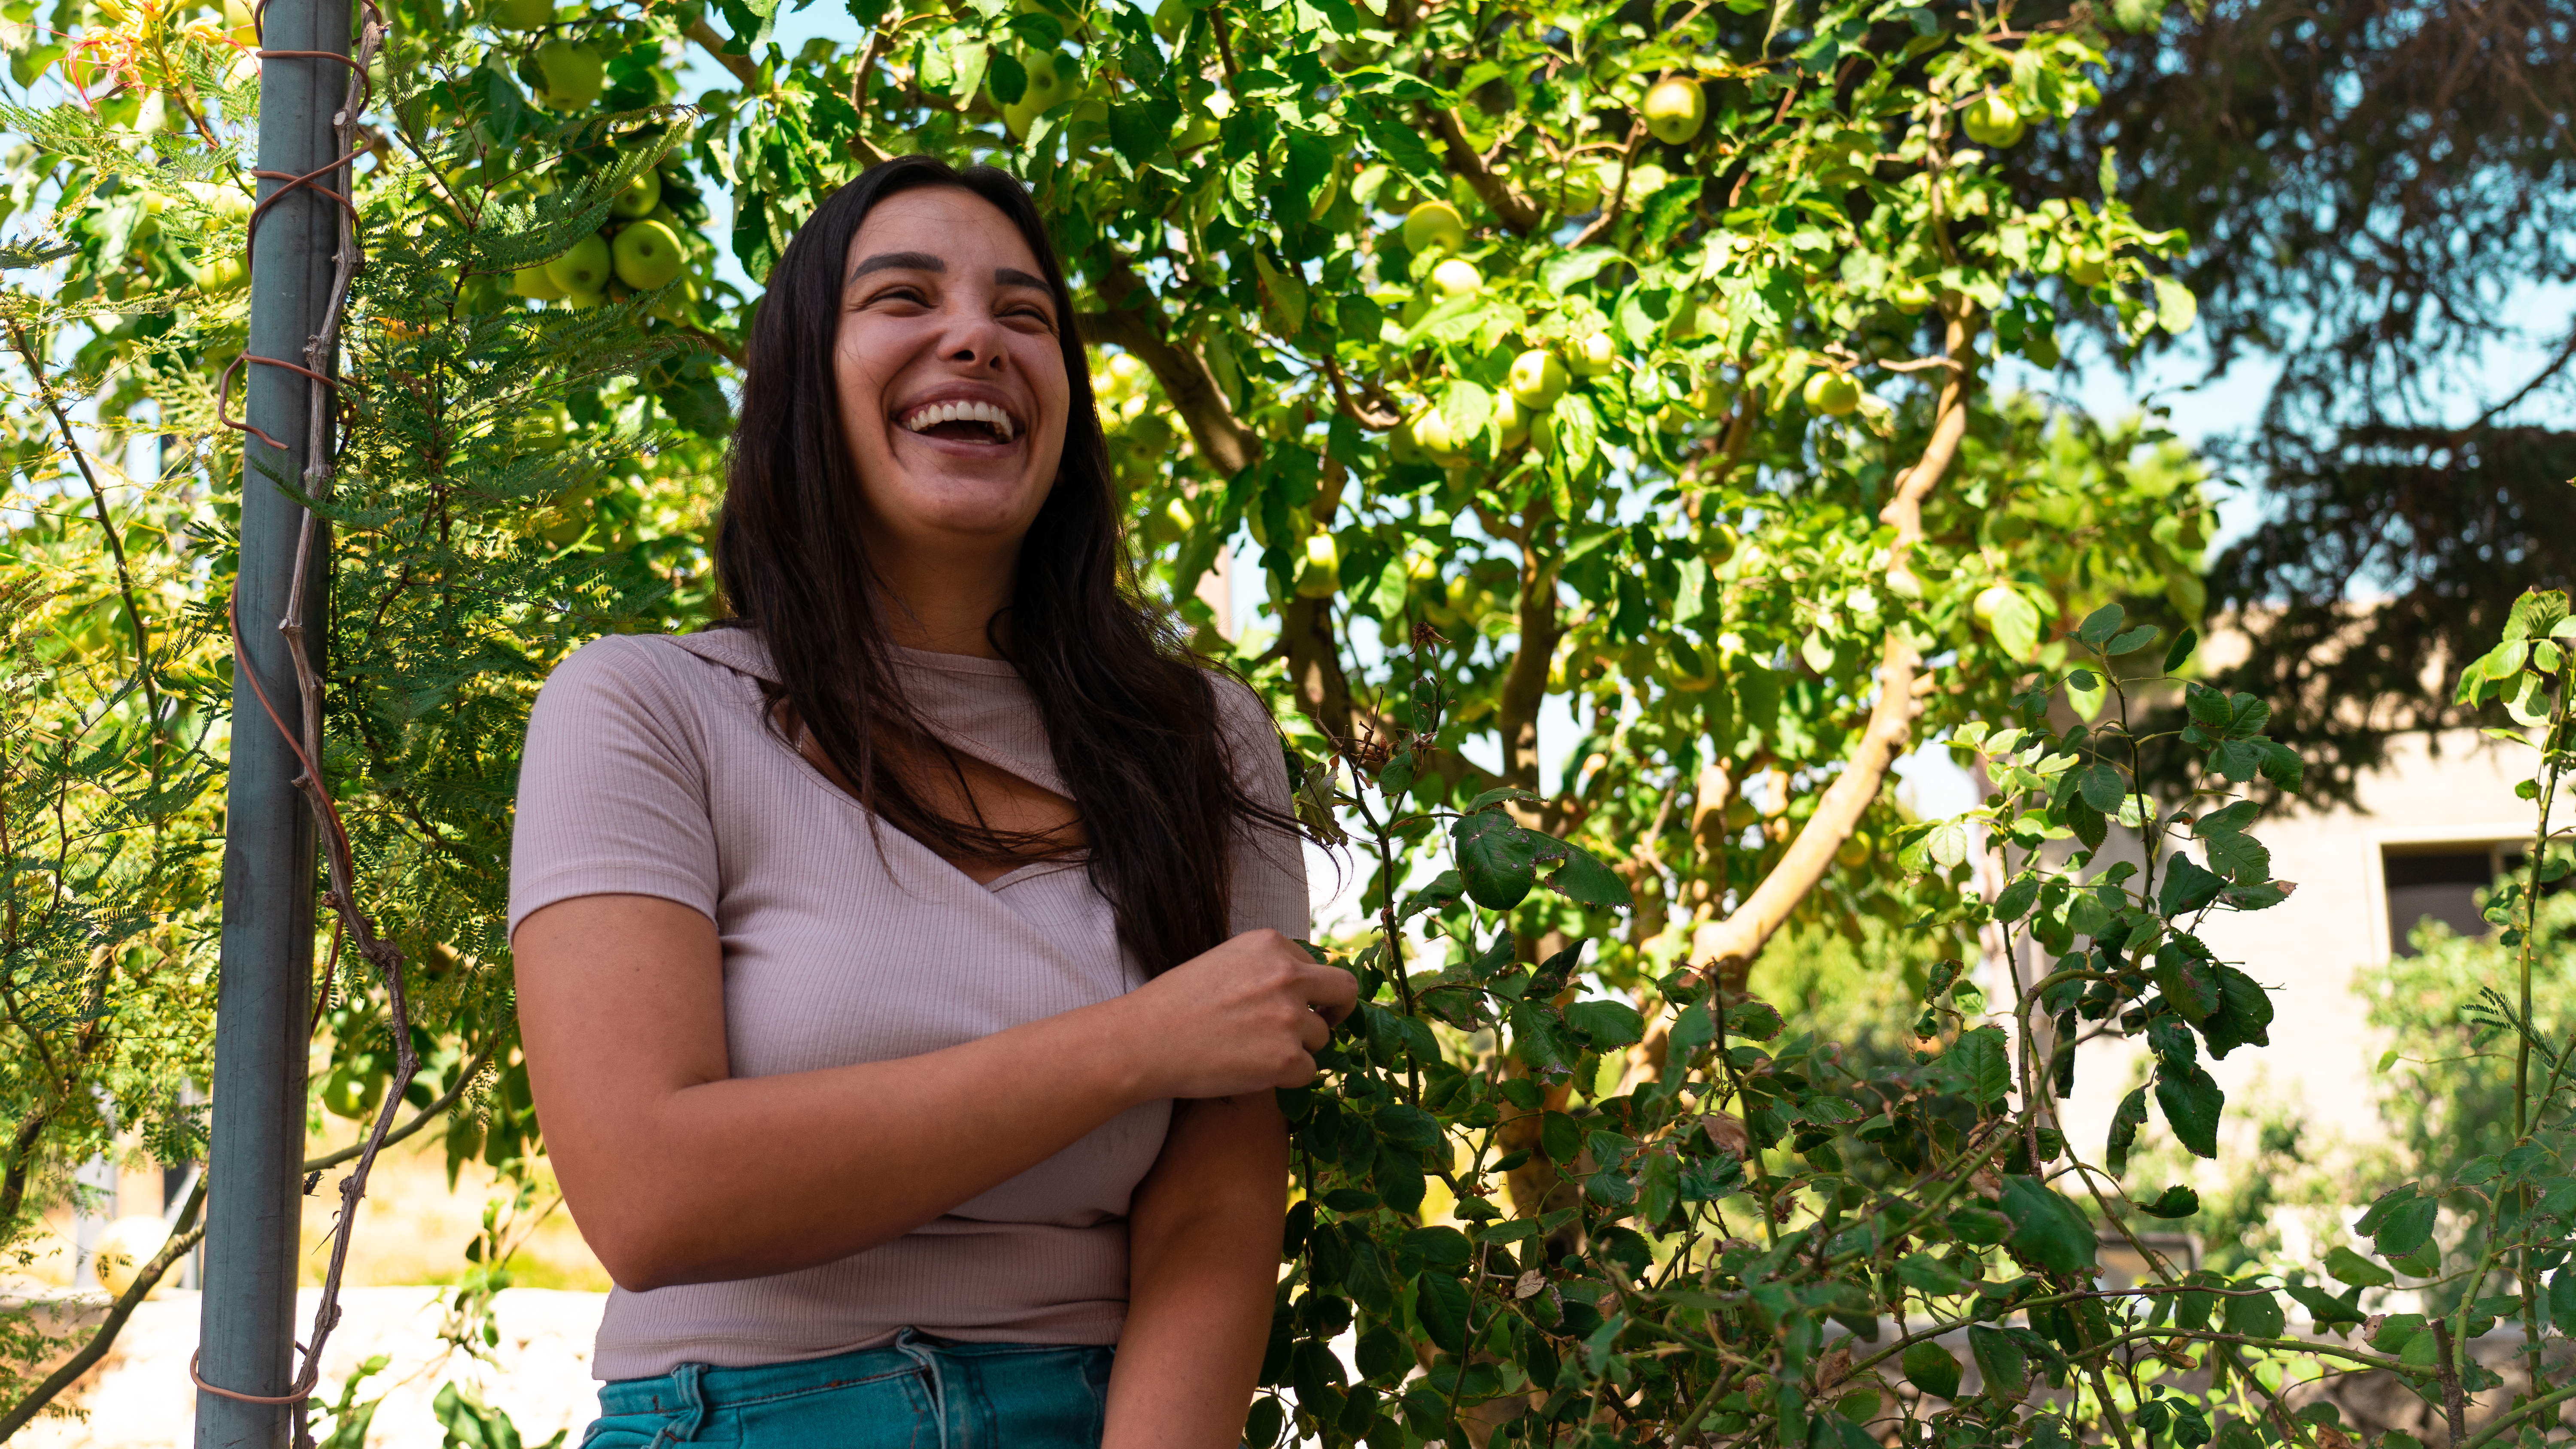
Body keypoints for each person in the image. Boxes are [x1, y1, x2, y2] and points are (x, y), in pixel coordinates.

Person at [510, 155, 1359, 1449]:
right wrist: (1142, 1040)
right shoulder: (641, 709)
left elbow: (1213, 1205)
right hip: (741, 1418)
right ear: (807, 375)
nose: (977, 335)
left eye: (1027, 317)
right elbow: (647, 1195)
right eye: (904, 298)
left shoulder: (1201, 740)